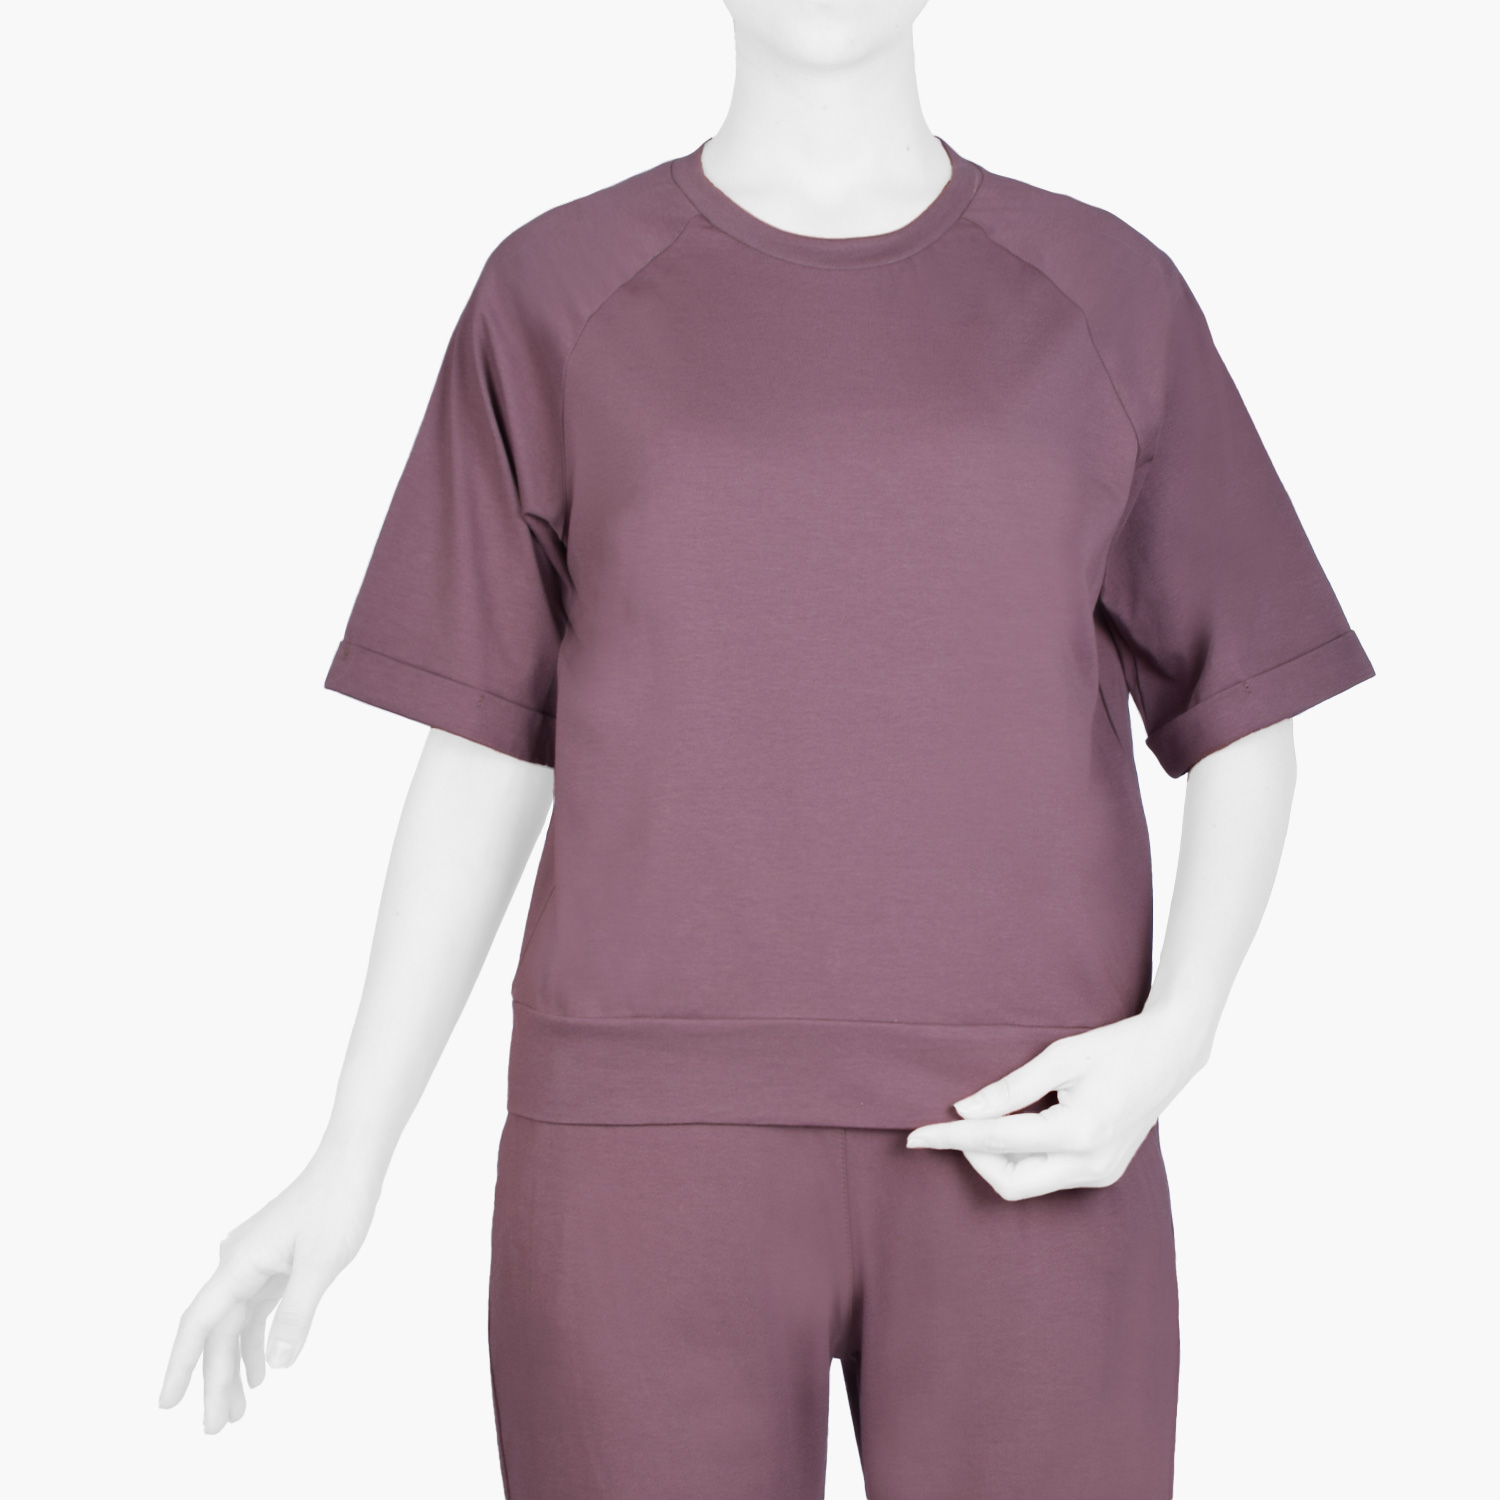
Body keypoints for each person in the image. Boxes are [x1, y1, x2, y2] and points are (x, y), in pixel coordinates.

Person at [158, 2, 1376, 1495]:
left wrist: (1176, 1039)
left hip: (1035, 1128)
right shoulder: (557, 293)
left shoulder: (1104, 294)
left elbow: (1246, 703)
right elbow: (486, 745)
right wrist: (349, 1155)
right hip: (638, 1155)